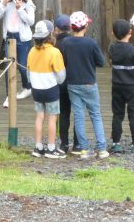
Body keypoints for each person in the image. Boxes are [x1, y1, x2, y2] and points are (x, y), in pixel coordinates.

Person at [61, 11, 108, 159]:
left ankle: (84, 149)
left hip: (72, 84)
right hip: (89, 83)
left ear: (71, 27)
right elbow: (101, 62)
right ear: (85, 26)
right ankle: (101, 149)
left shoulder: (66, 43)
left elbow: (63, 62)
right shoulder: (91, 43)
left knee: (79, 117)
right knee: (95, 115)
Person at [0, 0, 36, 108]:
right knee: (8, 67)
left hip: (23, 39)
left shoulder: (28, 3)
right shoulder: (5, 1)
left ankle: (27, 87)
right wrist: (4, 4)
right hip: (9, 38)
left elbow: (30, 21)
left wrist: (20, 9)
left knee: (22, 67)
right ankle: (9, 96)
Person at [27, 20, 66, 159]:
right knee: (52, 118)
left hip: (36, 89)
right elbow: (61, 76)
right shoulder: (55, 52)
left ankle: (38, 147)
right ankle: (51, 148)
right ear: (50, 34)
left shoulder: (31, 51)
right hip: (50, 89)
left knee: (39, 117)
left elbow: (28, 73)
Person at [108, 19, 134, 153]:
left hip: (117, 85)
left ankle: (116, 143)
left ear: (113, 33)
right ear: (130, 32)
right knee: (133, 114)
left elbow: (111, 63)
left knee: (117, 114)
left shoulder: (112, 49)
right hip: (132, 87)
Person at [54, 14, 79, 154]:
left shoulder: (54, 44)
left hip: (61, 83)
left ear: (56, 29)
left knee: (64, 114)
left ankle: (64, 144)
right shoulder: (75, 41)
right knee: (78, 113)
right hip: (75, 81)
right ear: (69, 28)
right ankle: (77, 144)